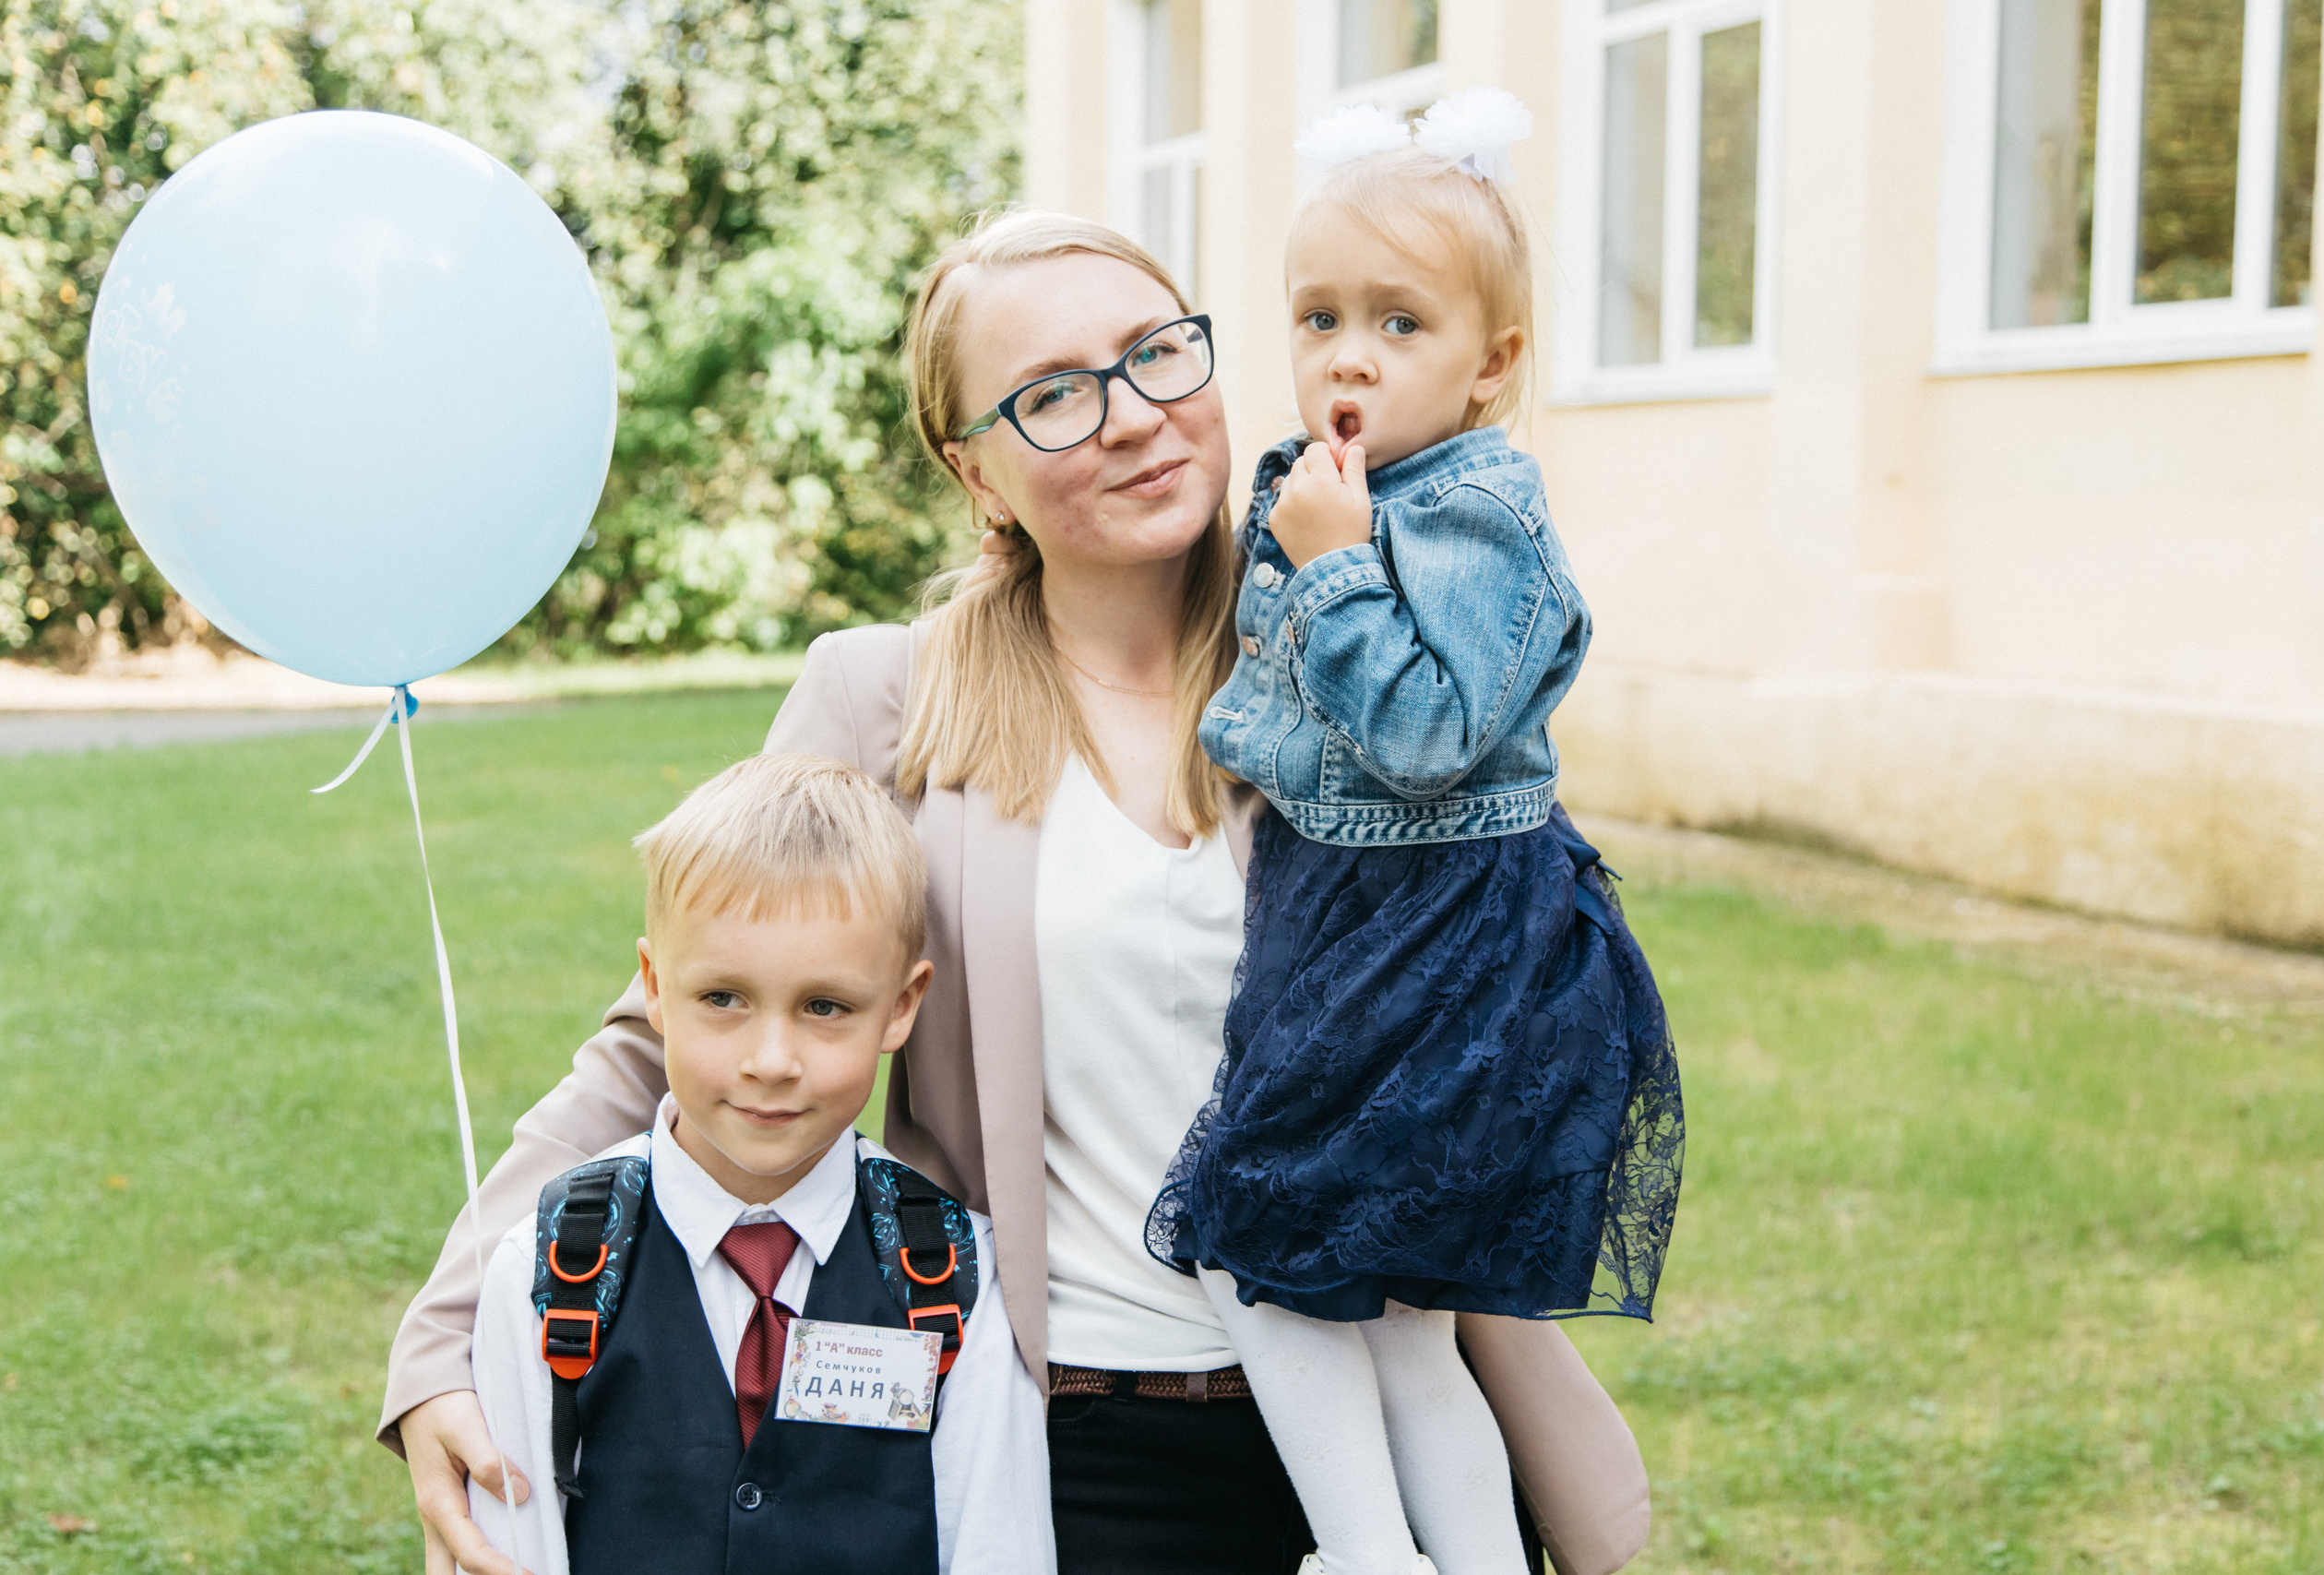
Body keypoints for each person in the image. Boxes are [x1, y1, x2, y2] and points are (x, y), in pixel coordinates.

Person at [379, 209, 1654, 1575]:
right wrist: (448, 1335)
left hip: (1398, 1417)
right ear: (973, 467)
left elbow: (1518, 973)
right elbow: (664, 1042)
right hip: (1076, 1447)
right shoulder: (884, 700)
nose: (1130, 418)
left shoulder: (1370, 638)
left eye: (1159, 354)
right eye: (1051, 394)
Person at [1142, 93, 1685, 1575]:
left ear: (1493, 364)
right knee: (1390, 1318)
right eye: (1318, 316)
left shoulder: (1473, 513)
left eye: (1400, 321)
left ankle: (1370, 1553)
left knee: (1261, 1260)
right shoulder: (1362, 486)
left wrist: (1328, 571)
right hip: (1359, 915)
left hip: (1436, 937)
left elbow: (1429, 734)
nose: (1349, 354)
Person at [459, 753, 1053, 1574]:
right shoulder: (550, 1268)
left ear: (901, 1006)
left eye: (824, 1006)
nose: (771, 1060)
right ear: (656, 988)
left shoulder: (957, 1276)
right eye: (724, 998)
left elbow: (999, 1550)